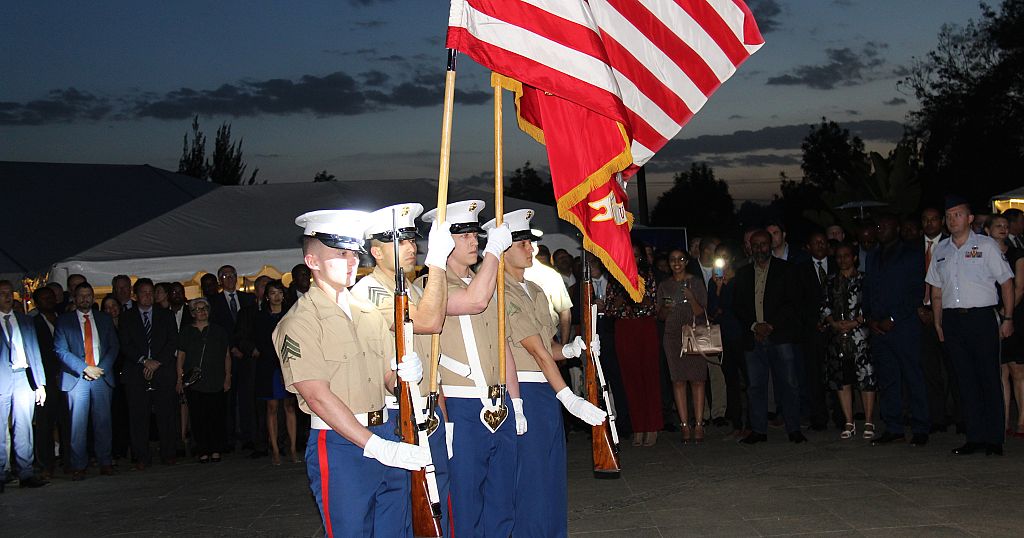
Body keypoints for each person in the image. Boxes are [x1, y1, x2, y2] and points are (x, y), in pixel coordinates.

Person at [273, 209, 429, 536]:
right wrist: (374, 445)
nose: (351, 262)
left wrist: (405, 377)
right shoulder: (299, 322)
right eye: (339, 254)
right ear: (312, 262)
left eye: (353, 253)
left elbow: (387, 378)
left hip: (386, 430)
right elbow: (316, 396)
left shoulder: (368, 312)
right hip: (341, 443)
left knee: (395, 531)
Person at [485, 209, 605, 536]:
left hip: (546, 388)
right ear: (503, 249)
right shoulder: (500, 292)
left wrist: (573, 349)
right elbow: (535, 351)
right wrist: (568, 396)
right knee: (532, 478)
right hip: (523, 390)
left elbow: (548, 346)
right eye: (522, 243)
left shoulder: (535, 290)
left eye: (531, 242)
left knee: (552, 474)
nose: (531, 248)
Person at [351, 202, 455, 532]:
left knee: (435, 502)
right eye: (401, 241)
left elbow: (431, 356)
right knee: (402, 510)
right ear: (376, 252)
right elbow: (430, 322)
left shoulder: (412, 289)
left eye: (412, 240)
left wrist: (442, 412)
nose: (412, 247)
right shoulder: (369, 292)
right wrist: (437, 263)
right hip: (397, 412)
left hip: (426, 408)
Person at [422, 200, 518, 536]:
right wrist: (494, 251)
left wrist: (516, 402)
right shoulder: (429, 288)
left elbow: (503, 345)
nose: (474, 240)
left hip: (498, 403)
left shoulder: (485, 280)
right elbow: (474, 301)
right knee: (465, 503)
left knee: (502, 501)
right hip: (460, 405)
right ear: (444, 242)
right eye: (463, 235)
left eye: (476, 234)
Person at [927, 196, 1015, 456]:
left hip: (981, 318)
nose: (952, 220)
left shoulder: (986, 246)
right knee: (964, 379)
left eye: (958, 214)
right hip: (953, 320)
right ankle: (974, 436)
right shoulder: (941, 250)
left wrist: (1008, 318)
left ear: (970, 218)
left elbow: (1006, 282)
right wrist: (938, 322)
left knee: (988, 377)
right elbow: (936, 290)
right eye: (949, 215)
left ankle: (994, 439)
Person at [733, 230, 806, 444]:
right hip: (753, 337)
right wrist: (755, 326)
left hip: (780, 335)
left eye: (763, 244)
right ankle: (758, 430)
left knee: (789, 383)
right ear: (750, 247)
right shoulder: (743, 273)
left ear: (770, 245)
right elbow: (738, 305)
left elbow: (793, 303)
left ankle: (794, 428)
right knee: (755, 386)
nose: (759, 249)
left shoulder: (786, 270)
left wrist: (771, 325)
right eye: (755, 245)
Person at [864, 214, 930, 447]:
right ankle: (894, 427)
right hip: (879, 328)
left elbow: (916, 290)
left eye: (885, 225)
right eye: (878, 225)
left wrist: (893, 317)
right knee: (887, 379)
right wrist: (870, 318)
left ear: (897, 228)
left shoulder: (911, 254)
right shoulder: (872, 256)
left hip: (903, 326)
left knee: (913, 376)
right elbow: (868, 289)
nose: (880, 228)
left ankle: (921, 427)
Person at [54, 282, 119, 481]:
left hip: (101, 375)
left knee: (103, 422)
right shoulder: (64, 321)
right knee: (78, 424)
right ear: (74, 298)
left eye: (88, 295)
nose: (85, 299)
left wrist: (101, 369)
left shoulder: (104, 319)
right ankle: (78, 465)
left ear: (93, 297)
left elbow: (114, 346)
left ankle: (105, 461)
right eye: (81, 295)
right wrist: (84, 368)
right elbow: (60, 350)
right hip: (77, 377)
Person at [605, 244, 663, 446]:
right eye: (631, 255)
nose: (634, 258)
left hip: (645, 326)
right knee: (630, 379)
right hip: (624, 328)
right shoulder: (614, 277)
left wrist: (636, 292)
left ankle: (653, 426)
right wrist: (623, 294)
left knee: (650, 376)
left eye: (637, 255)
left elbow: (652, 305)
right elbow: (610, 309)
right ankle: (638, 427)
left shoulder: (648, 276)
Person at [119, 278, 180, 468]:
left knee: (166, 414)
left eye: (150, 292)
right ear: (135, 295)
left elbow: (172, 341)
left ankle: (169, 452)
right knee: (138, 416)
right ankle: (141, 456)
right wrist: (144, 361)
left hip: (162, 371)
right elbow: (125, 344)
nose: (148, 296)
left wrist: (157, 362)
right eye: (143, 292)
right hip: (137, 372)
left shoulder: (166, 315)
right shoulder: (127, 317)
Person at [821, 243, 877, 440]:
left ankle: (868, 420)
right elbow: (824, 306)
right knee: (842, 378)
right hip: (838, 336)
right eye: (839, 256)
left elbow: (870, 306)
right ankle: (848, 421)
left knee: (865, 377)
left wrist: (855, 322)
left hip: (860, 336)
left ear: (854, 257)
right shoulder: (830, 281)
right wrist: (833, 323)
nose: (842, 259)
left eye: (846, 255)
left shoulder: (864, 279)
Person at [0, 280, 49, 491]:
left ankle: (25, 472)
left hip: (23, 376)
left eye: (9, 293)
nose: (7, 296)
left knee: (24, 426)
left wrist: (40, 384)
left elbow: (34, 351)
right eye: (2, 293)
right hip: (2, 376)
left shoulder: (24, 320)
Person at [657, 249, 709, 443]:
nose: (676, 263)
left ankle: (699, 425)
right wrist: (666, 308)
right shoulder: (664, 285)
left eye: (680, 259)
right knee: (678, 380)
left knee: (698, 380)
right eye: (672, 259)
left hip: (694, 333)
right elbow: (660, 316)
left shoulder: (696, 282)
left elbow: (702, 312)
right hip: (672, 336)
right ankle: (685, 425)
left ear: (686, 261)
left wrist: (691, 297)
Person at [175, 297, 231, 463]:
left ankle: (216, 448)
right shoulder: (186, 332)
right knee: (198, 416)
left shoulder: (219, 331)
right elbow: (181, 356)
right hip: (195, 381)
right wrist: (179, 378)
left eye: (205, 308)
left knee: (216, 415)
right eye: (198, 309)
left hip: (216, 379)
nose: (202, 312)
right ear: (192, 313)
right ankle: (202, 449)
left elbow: (227, 355)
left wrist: (227, 376)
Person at [983, 215, 1024, 438]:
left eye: (1006, 226)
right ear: (987, 230)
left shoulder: (1017, 254)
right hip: (991, 315)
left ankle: (1022, 420)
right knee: (1001, 370)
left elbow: (1019, 287)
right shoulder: (982, 254)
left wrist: (1004, 314)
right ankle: (1004, 419)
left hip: (1013, 314)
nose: (1003, 229)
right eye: (998, 225)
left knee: (1017, 369)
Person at [209, 264, 257, 452]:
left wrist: (245, 347)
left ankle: (248, 437)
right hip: (225, 357)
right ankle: (228, 439)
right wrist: (231, 347)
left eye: (232, 275)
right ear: (220, 280)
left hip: (247, 356)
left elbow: (252, 326)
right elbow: (215, 330)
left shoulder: (248, 299)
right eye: (225, 276)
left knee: (247, 398)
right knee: (227, 399)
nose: (229, 278)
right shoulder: (213, 302)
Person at [250, 280, 298, 465]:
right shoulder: (261, 317)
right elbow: (261, 342)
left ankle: (292, 448)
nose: (276, 296)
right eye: (272, 293)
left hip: (289, 364)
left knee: (290, 406)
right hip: (268, 366)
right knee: (271, 407)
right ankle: (275, 450)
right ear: (267, 296)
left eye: (279, 292)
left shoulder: (291, 314)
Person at [794, 231, 834, 431]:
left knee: (837, 373)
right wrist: (814, 322)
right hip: (811, 331)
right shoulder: (800, 270)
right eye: (816, 242)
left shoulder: (837, 264)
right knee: (813, 375)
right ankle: (818, 417)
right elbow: (797, 302)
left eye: (823, 242)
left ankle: (843, 415)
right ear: (808, 247)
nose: (820, 245)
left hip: (836, 329)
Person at [31, 286, 68, 479]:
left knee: (68, 422)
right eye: (44, 298)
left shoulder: (65, 319)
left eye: (51, 297)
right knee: (45, 424)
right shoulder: (33, 324)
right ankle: (46, 464)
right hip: (46, 380)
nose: (49, 300)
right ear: (37, 303)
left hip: (67, 378)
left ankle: (69, 461)